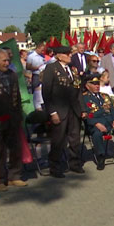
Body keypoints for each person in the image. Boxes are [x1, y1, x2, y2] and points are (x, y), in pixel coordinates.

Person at [0, 49, 27, 191]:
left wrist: (19, 116)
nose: (7, 63)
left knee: (15, 148)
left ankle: (15, 176)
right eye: (4, 61)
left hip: (13, 118)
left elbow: (16, 96)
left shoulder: (12, 75)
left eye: (8, 60)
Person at [41, 45, 85, 177]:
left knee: (75, 138)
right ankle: (55, 166)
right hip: (59, 109)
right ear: (59, 55)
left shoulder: (73, 69)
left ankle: (74, 163)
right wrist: (52, 112)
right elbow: (46, 92)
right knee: (59, 140)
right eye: (67, 54)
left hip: (74, 109)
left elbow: (78, 90)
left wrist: (82, 109)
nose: (70, 56)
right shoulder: (51, 68)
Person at [81, 73, 114, 170]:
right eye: (94, 84)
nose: (97, 86)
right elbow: (87, 115)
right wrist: (96, 124)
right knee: (97, 134)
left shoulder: (105, 96)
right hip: (96, 125)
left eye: (97, 83)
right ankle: (101, 157)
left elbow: (113, 110)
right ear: (87, 86)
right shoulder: (84, 98)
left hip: (110, 123)